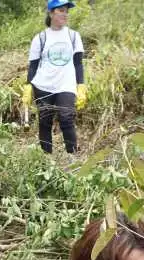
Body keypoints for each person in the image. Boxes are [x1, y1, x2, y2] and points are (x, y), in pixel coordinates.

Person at [21, 1, 87, 154]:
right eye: (61, 10)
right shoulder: (40, 38)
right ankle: (46, 160)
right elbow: (33, 66)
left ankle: (73, 156)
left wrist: (81, 85)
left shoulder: (73, 36)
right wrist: (28, 86)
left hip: (66, 85)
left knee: (66, 118)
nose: (65, 14)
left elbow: (78, 64)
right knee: (45, 121)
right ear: (51, 13)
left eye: (66, 11)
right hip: (43, 86)